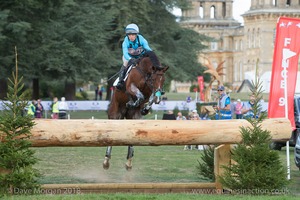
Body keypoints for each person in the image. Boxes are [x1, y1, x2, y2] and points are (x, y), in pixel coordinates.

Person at [116, 23, 152, 90]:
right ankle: (120, 81)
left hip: (140, 57)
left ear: (136, 34)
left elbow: (148, 48)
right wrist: (130, 59)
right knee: (125, 62)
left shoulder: (142, 40)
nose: (131, 37)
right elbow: (125, 53)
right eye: (129, 35)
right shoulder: (125, 42)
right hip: (129, 57)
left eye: (133, 35)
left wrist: (151, 54)